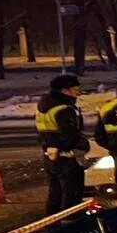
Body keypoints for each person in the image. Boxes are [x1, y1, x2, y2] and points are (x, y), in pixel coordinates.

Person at [36, 73, 89, 213]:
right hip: (67, 158)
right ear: (65, 90)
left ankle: (52, 225)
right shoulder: (64, 109)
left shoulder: (44, 106)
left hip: (51, 156)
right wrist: (83, 144)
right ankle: (71, 226)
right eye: (75, 87)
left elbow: (41, 134)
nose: (78, 90)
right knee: (72, 195)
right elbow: (71, 135)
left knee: (55, 194)